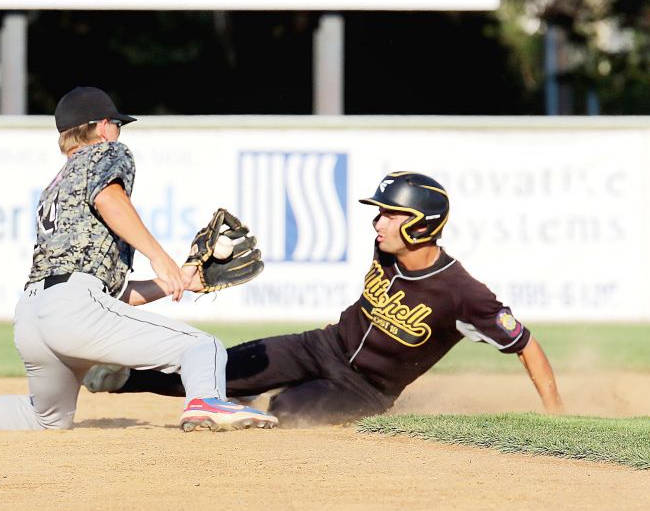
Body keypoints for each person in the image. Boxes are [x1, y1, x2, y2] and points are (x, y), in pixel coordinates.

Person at [0, 86, 278, 433]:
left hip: (33, 317)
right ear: (101, 127)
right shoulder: (107, 152)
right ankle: (207, 403)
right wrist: (159, 257)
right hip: (72, 308)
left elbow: (102, 295)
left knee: (45, 417)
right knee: (203, 347)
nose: (119, 134)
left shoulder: (57, 184)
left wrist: (176, 281)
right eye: (116, 125)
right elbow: (109, 200)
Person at [85, 171, 566, 426]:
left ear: (421, 225)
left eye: (390, 215)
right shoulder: (386, 250)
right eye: (379, 213)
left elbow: (524, 343)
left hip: (366, 391)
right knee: (224, 369)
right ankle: (123, 379)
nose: (377, 223)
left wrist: (556, 417)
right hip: (323, 345)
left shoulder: (462, 295)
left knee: (289, 412)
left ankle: (262, 397)